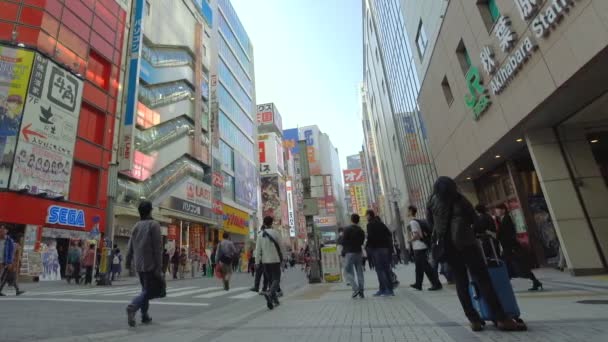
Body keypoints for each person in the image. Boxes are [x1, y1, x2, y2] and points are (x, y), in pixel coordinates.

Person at [426, 176, 525, 332]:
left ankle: (474, 320)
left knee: (461, 282)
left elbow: (430, 224)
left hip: (448, 248)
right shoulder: (460, 199)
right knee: (482, 279)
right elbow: (476, 222)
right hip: (467, 245)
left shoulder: (431, 201)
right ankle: (501, 318)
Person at [126, 200, 163, 327]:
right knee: (149, 291)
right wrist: (159, 266)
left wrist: (127, 261)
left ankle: (144, 315)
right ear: (150, 211)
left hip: (139, 264)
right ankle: (133, 306)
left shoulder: (136, 226)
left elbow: (130, 246)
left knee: (145, 290)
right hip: (150, 264)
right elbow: (158, 248)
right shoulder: (154, 225)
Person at [495, 204, 542, 291]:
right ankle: (534, 281)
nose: (496, 212)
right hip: (508, 248)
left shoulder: (507, 219)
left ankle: (535, 281)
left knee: (518, 266)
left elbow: (507, 234)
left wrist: (497, 236)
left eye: (497, 210)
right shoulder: (502, 220)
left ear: (503, 210)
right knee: (509, 266)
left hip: (511, 248)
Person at [407, 206, 442, 291]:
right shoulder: (418, 221)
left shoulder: (412, 222)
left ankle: (436, 284)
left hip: (419, 247)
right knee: (419, 267)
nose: (406, 213)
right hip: (420, 246)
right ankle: (418, 284)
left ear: (411, 211)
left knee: (426, 267)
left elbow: (417, 235)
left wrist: (410, 241)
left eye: (407, 211)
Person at [254, 216, 283, 309]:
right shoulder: (276, 233)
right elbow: (282, 247)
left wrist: (257, 262)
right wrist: (285, 258)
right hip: (275, 260)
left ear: (264, 223)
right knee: (276, 279)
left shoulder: (260, 235)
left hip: (265, 262)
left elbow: (257, 250)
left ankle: (274, 300)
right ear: (272, 223)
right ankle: (270, 293)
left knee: (271, 280)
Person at [365, 210, 394, 297]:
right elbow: (389, 234)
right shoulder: (381, 223)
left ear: (369, 215)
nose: (366, 217)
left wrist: (367, 246)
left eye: (366, 215)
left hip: (376, 249)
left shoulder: (369, 225)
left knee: (380, 270)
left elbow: (370, 237)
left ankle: (385, 289)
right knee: (386, 269)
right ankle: (388, 289)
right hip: (385, 248)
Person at [342, 214, 366, 299]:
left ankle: (355, 288)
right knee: (360, 272)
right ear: (358, 220)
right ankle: (361, 290)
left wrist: (344, 250)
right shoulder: (361, 230)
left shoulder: (347, 229)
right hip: (358, 252)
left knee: (347, 271)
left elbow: (343, 241)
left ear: (351, 220)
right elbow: (362, 242)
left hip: (349, 253)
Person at [0, 227, 24, 296]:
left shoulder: (9, 241)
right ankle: (17, 290)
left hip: (4, 261)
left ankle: (17, 290)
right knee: (8, 276)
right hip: (6, 263)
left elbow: (11, 252)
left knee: (7, 276)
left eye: (3, 230)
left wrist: (10, 262)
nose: (1, 231)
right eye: (0, 230)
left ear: (6, 231)